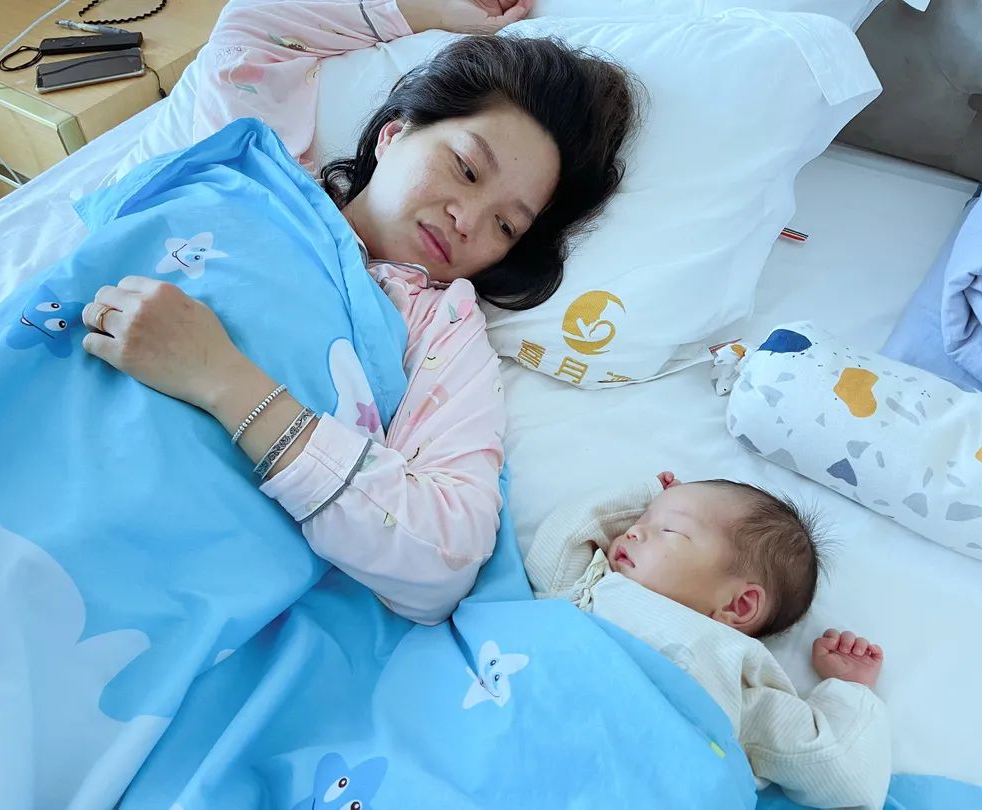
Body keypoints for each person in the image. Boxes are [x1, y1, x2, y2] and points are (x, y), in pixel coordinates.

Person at [77, 0, 641, 624]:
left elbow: (445, 557)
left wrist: (223, 382)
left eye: (506, 225)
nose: (467, 219)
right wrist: (433, 12)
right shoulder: (261, 174)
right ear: (394, 133)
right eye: (465, 169)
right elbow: (253, 25)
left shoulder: (441, 331)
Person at [525, 472, 892, 809]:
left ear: (739, 605)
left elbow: (838, 770)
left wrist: (850, 690)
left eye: (670, 530)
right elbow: (553, 549)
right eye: (639, 519)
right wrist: (646, 495)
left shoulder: (733, 671)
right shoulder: (596, 585)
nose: (633, 531)